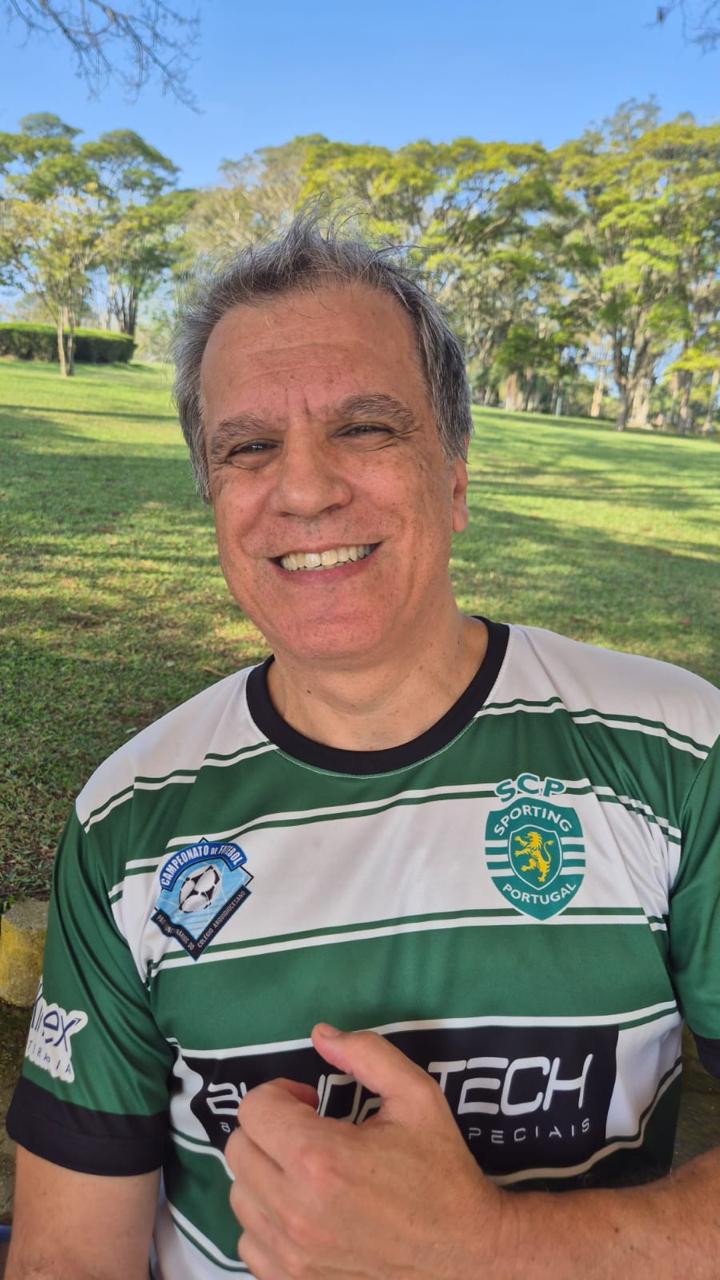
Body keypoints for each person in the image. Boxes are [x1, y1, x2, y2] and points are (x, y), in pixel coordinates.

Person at [5, 215, 720, 1280]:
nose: (304, 490)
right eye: (249, 447)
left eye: (366, 427)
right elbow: (69, 1252)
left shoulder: (679, 753)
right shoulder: (129, 819)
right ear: (214, 500)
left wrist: (489, 1247)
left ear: (457, 475)